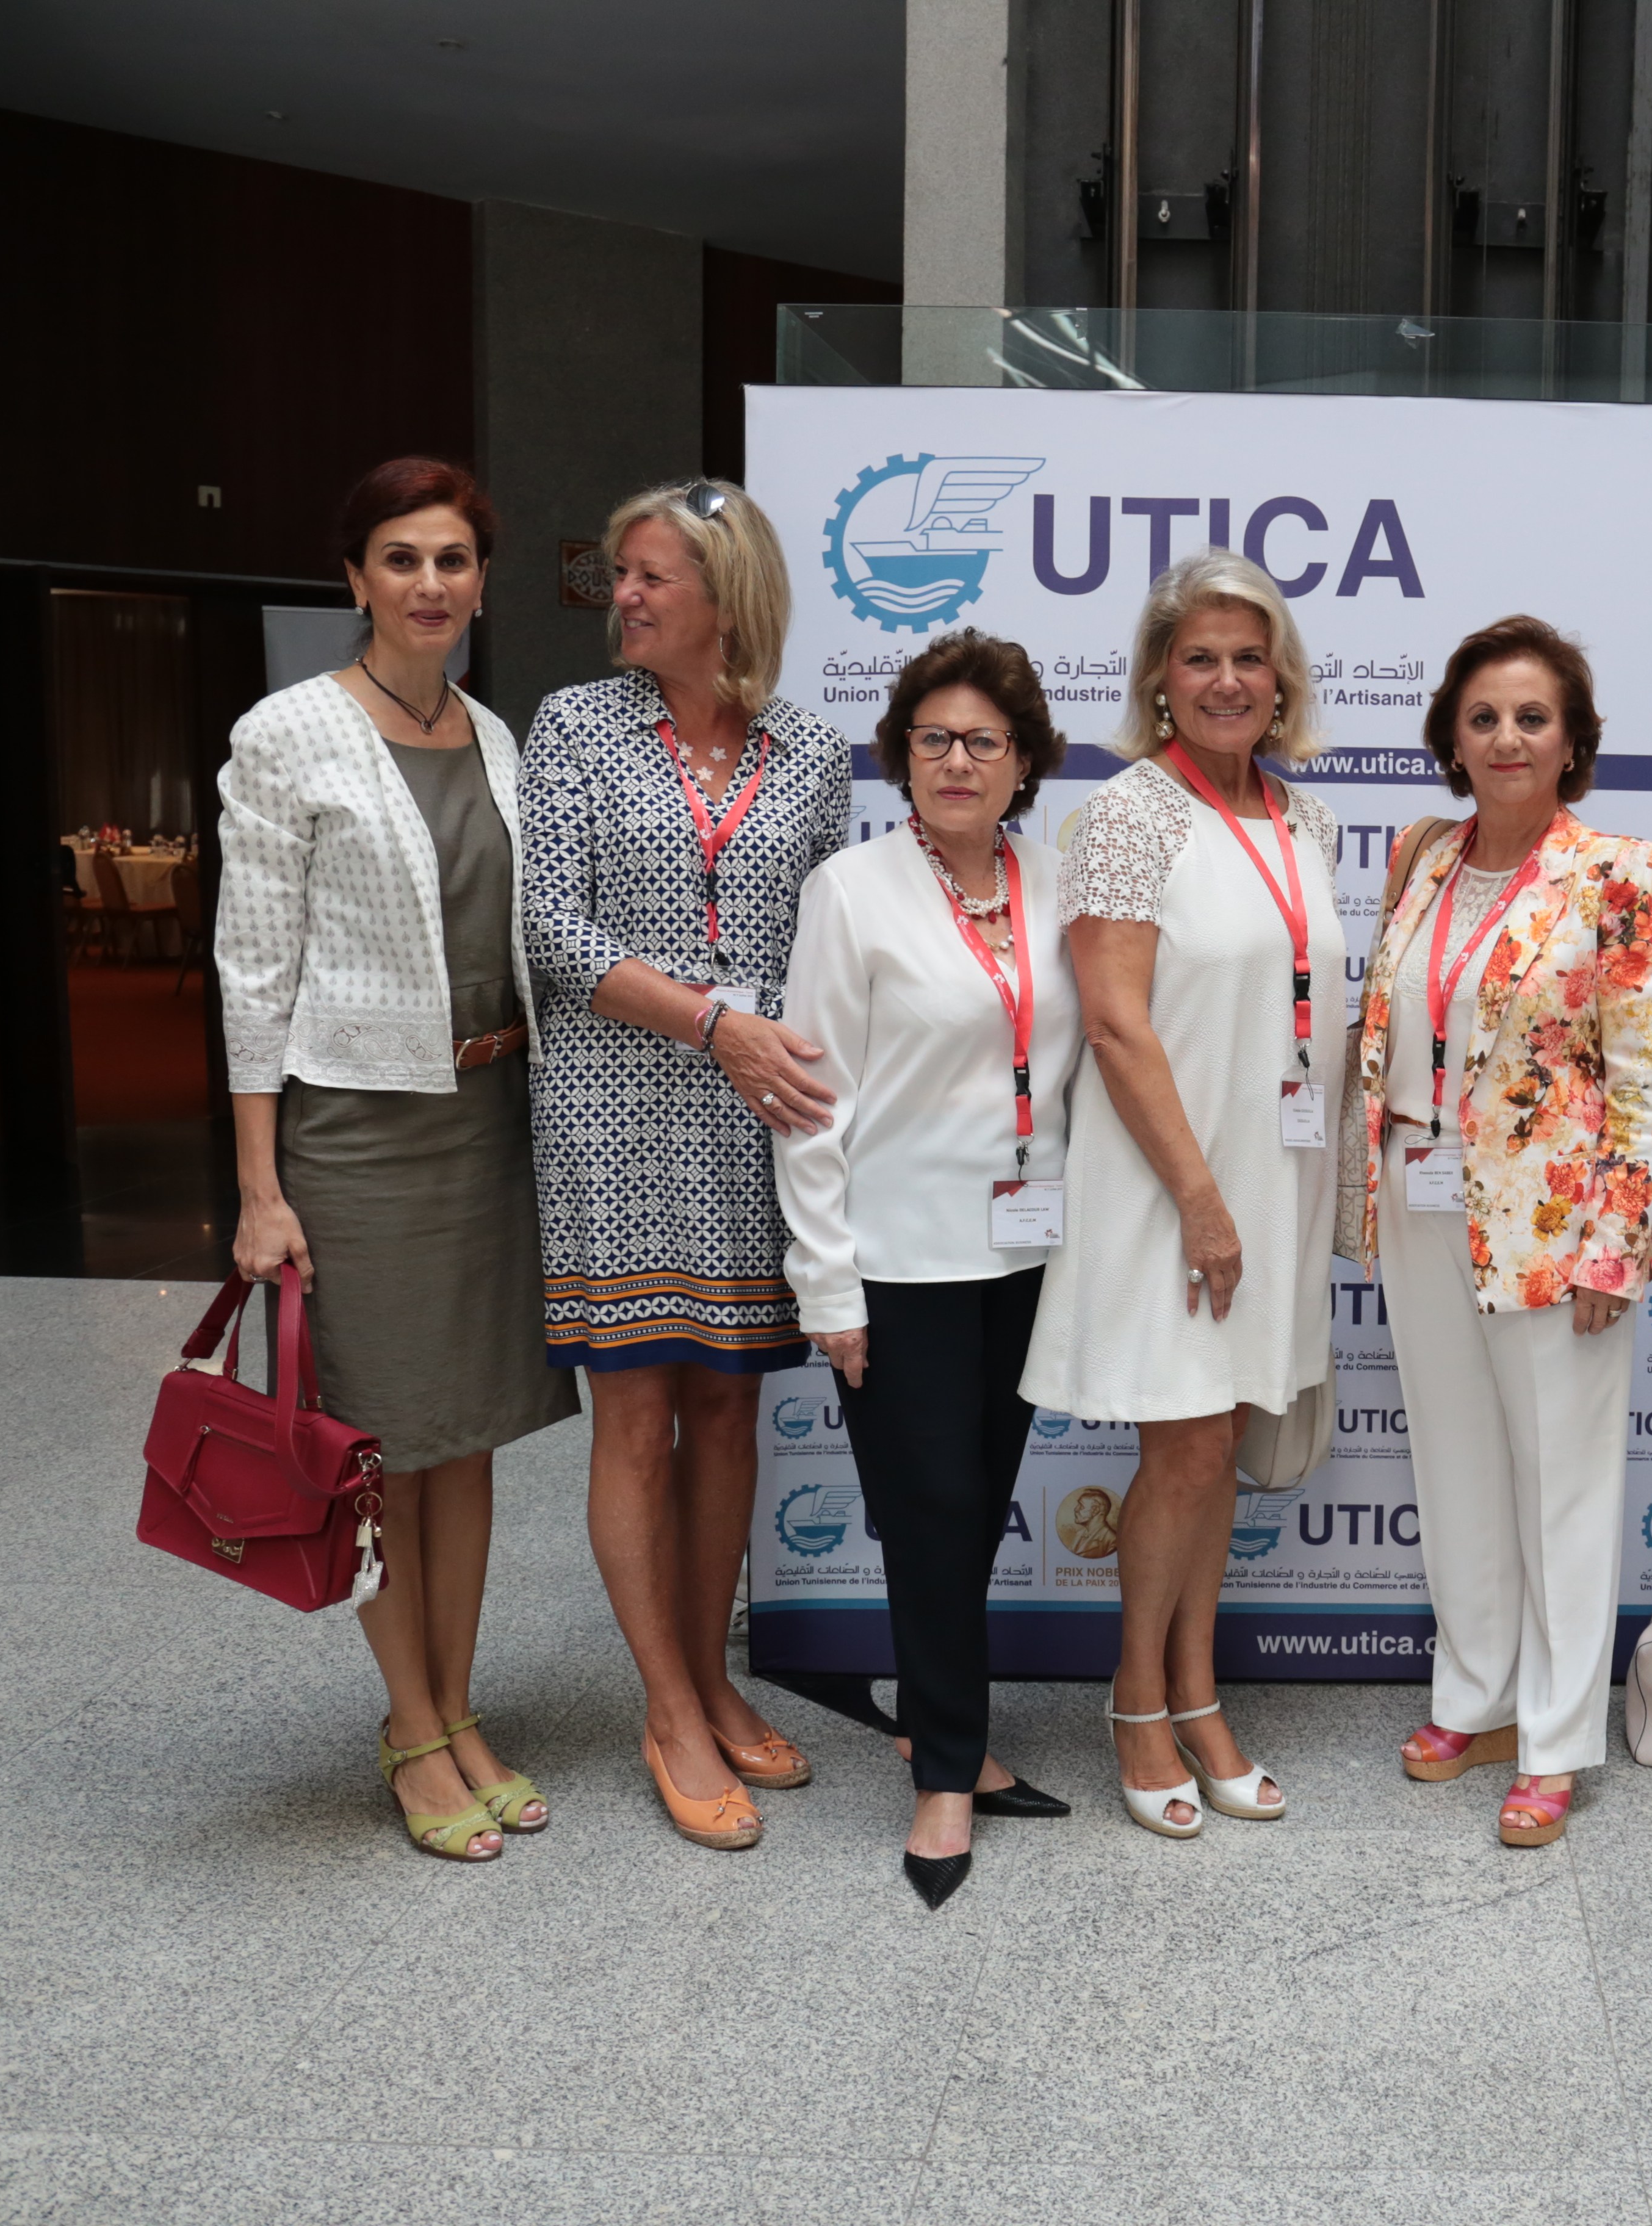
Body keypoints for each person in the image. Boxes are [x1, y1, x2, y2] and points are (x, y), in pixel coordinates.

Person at [215, 455, 579, 1862]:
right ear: (355, 579)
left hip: (487, 1126)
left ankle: (458, 1707)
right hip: (358, 1138)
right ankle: (412, 1728)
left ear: (483, 582)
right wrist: (261, 1190)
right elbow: (253, 971)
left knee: (464, 1439)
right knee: (381, 1442)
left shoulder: (497, 736)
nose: (431, 584)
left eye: (454, 560)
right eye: (403, 558)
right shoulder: (288, 734)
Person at [521, 479, 851, 1852]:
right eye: (622, 574)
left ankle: (714, 1677)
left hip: (752, 1124)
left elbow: (827, 943)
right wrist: (715, 1021)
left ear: (728, 596)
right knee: (636, 1414)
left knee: (727, 1415)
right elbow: (552, 929)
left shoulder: (811, 750)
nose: (626, 597)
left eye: (653, 576)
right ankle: (667, 1708)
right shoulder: (574, 727)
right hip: (609, 1115)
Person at [1020, 549, 1342, 1839]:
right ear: (1160, 676)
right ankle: (1139, 1703)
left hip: (1271, 1177)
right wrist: (1203, 1203)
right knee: (1186, 1448)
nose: (1226, 680)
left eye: (1249, 658)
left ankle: (1199, 1694)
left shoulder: (1301, 815)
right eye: (1199, 657)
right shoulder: (1130, 814)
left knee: (1219, 1452)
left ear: (1282, 679)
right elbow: (1114, 1024)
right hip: (1172, 1186)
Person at [1352, 618, 1652, 1850]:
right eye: (1483, 717)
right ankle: (1477, 1698)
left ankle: (1554, 1738)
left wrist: (1615, 1243)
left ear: (1573, 740)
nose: (1506, 738)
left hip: (1553, 1220)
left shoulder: (1620, 872)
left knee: (1563, 1487)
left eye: (1532, 718)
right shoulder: (1421, 856)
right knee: (1455, 1465)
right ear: (1452, 737)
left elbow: (1643, 1078)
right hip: (1418, 1193)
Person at [776, 630, 1083, 1907]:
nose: (958, 761)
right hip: (899, 1264)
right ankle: (949, 1775)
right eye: (934, 739)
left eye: (983, 741)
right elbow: (809, 1105)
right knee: (934, 1518)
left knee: (973, 1509)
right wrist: (828, 1286)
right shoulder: (851, 891)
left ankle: (932, 1720)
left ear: (1024, 762)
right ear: (903, 755)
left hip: (1028, 1253)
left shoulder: (1057, 881)